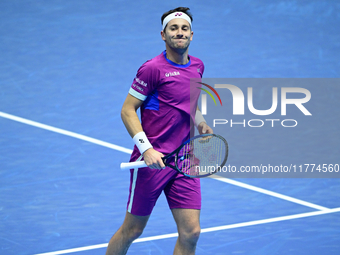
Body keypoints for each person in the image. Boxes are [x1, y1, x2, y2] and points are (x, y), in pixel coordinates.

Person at [106, 7, 213, 255]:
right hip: (152, 162)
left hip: (184, 160)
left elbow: (189, 102)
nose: (179, 33)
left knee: (191, 232)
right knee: (132, 230)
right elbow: (127, 110)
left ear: (192, 35)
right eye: (173, 28)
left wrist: (200, 122)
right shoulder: (152, 69)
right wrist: (147, 150)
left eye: (184, 28)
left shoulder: (197, 66)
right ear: (163, 35)